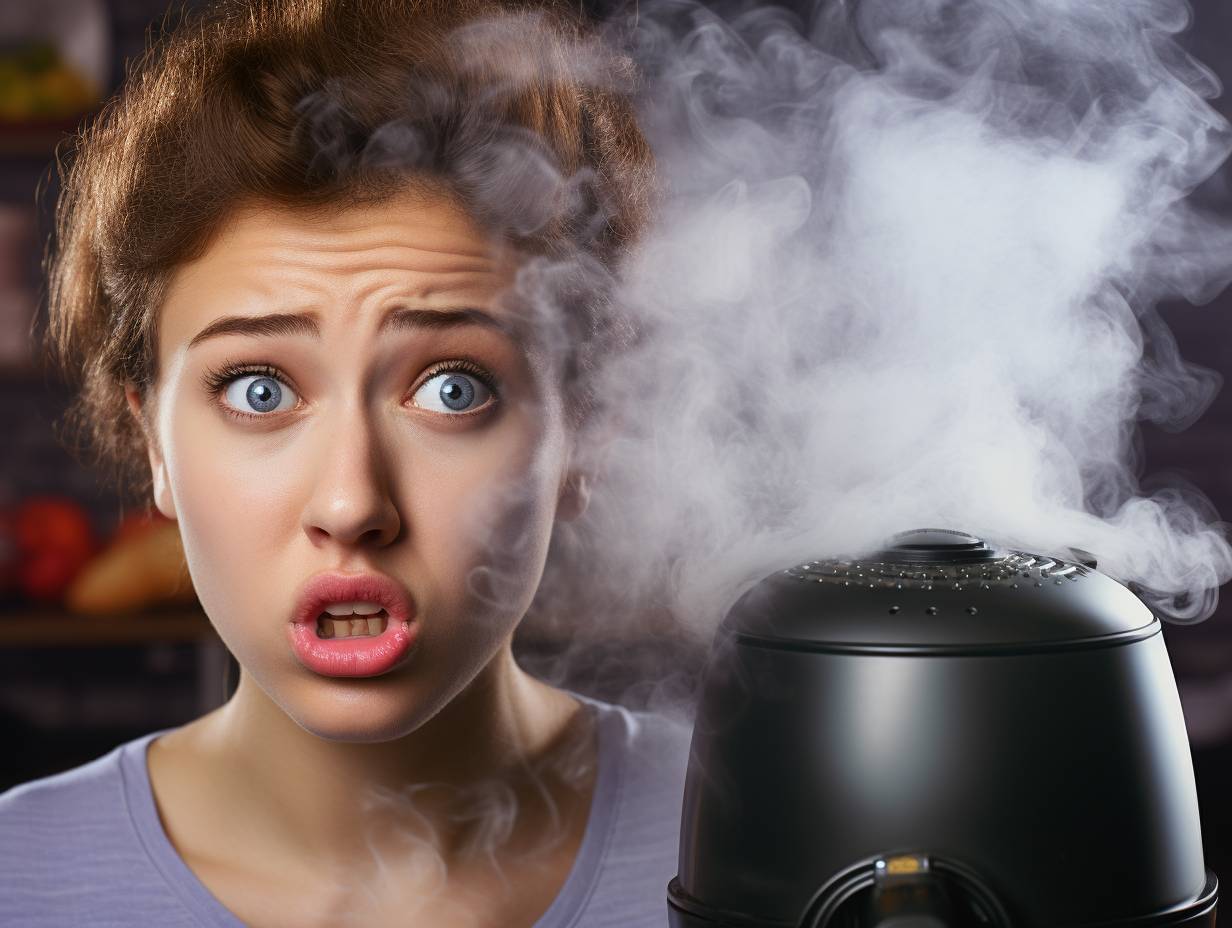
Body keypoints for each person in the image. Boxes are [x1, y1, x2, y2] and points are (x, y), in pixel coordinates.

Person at [0, 1, 692, 926]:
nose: (350, 501)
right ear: (155, 443)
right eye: (258, 390)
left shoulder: (774, 838)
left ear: (585, 433)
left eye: (454, 388)